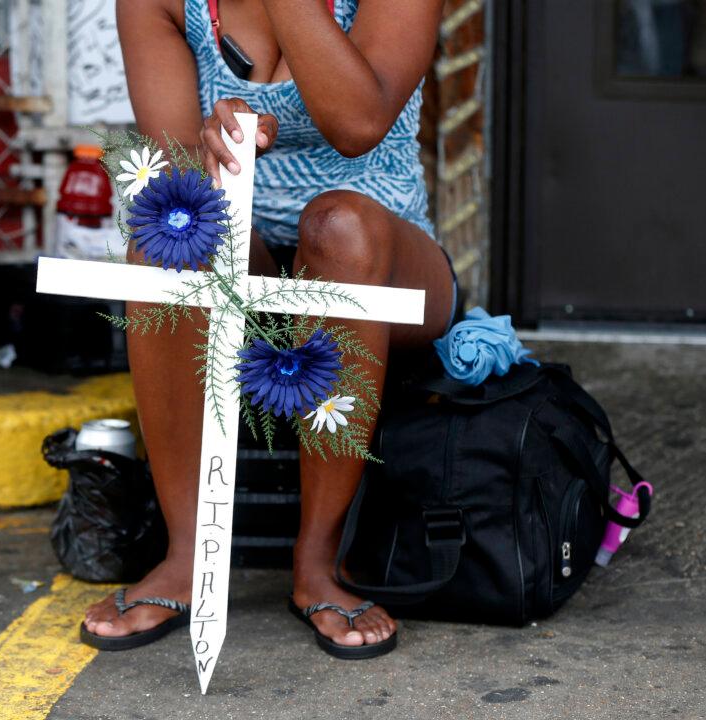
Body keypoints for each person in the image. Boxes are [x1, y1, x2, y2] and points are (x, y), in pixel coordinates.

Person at [81, 0, 456, 658]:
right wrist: (207, 144)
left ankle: (319, 564)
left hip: (384, 259)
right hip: (246, 254)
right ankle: (184, 557)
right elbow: (177, 170)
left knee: (339, 228)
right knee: (170, 229)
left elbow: (357, 123)